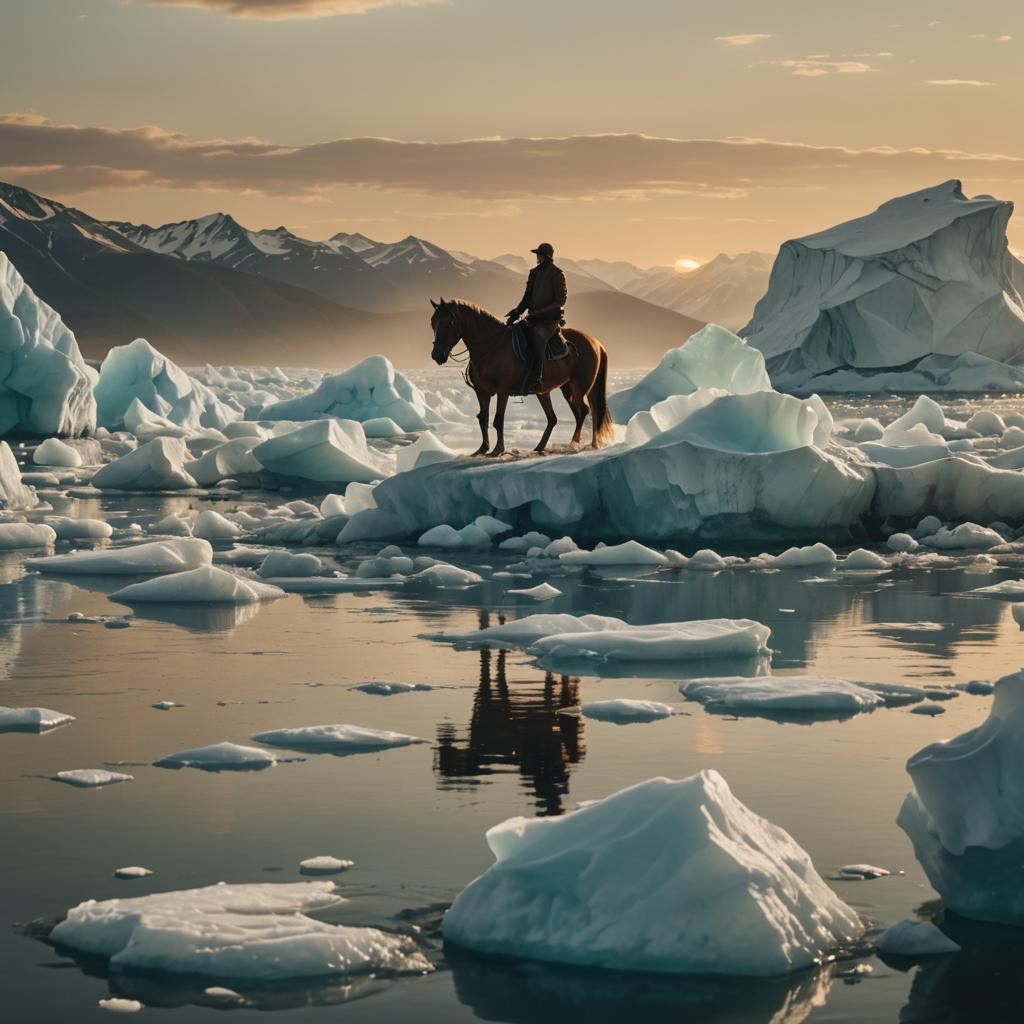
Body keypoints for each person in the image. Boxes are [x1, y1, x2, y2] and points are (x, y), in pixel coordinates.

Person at [506, 242, 567, 393]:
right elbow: (527, 297)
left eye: (539, 255)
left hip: (549, 320)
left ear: (546, 257)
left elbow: (560, 300)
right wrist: (517, 312)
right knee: (515, 332)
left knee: (538, 337)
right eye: (537, 255)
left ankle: (537, 377)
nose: (537, 258)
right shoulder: (534, 273)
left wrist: (540, 312)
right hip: (533, 318)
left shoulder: (557, 274)